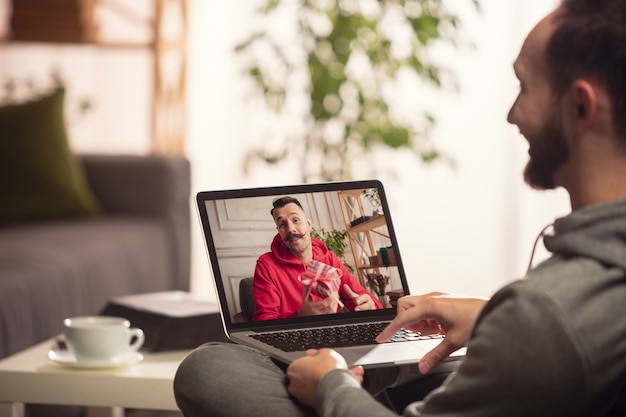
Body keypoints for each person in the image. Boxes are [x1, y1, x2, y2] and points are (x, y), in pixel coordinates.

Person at [174, 1, 626, 416]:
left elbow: (361, 296)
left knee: (211, 367)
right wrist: (492, 316)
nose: (511, 114)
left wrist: (333, 386)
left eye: (524, 87)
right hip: (312, 344)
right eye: (282, 222)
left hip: (334, 367)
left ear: (581, 106)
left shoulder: (548, 313)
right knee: (393, 372)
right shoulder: (579, 297)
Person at [253, 196, 382, 321]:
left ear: (308, 224)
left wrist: (369, 306)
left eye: (296, 220)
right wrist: (299, 317)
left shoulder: (330, 258)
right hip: (293, 340)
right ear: (278, 231)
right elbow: (263, 322)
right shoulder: (266, 265)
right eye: (282, 224)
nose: (290, 229)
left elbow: (365, 299)